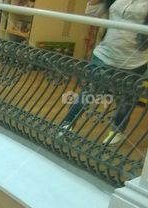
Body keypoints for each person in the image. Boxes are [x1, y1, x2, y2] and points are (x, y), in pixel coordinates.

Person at [60, 0, 148, 146]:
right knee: (88, 92)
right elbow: (91, 11)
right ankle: (67, 123)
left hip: (135, 61)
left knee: (125, 99)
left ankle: (117, 131)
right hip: (104, 55)